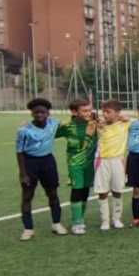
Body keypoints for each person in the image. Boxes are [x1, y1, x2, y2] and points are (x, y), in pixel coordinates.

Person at [16, 98, 67, 241]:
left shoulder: (54, 123)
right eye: (36, 112)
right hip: (30, 163)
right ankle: (28, 229)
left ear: (48, 113)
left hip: (48, 161)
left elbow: (71, 122)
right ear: (31, 113)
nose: (39, 115)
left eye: (42, 112)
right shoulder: (24, 130)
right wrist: (23, 173)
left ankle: (56, 224)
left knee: (52, 193)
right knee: (27, 196)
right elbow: (19, 151)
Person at [55, 99, 97, 235]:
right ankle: (76, 222)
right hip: (75, 164)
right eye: (84, 111)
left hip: (90, 164)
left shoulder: (95, 123)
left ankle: (81, 219)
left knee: (85, 191)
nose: (88, 113)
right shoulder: (67, 127)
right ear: (74, 111)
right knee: (77, 190)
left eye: (90, 110)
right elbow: (49, 133)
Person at [94, 99, 131, 231]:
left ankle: (116, 219)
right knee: (102, 191)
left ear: (117, 113)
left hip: (118, 161)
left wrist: (124, 117)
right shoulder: (99, 124)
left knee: (117, 191)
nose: (105, 114)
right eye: (103, 111)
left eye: (108, 112)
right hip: (102, 160)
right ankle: (105, 220)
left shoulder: (125, 124)